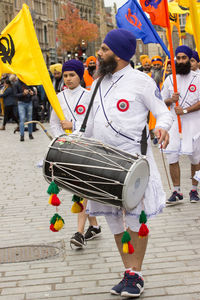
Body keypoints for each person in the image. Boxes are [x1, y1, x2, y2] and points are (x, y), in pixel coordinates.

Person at [65, 29, 173, 298]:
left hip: (133, 163)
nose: (98, 54)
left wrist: (162, 128)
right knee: (114, 222)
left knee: (136, 222)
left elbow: (163, 113)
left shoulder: (142, 81)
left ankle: (136, 274)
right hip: (101, 162)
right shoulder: (97, 83)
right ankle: (128, 272)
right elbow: (86, 125)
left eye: (103, 49)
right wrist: (73, 142)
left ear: (120, 54)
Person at [50, 59, 101, 248]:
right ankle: (94, 226)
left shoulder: (89, 96)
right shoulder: (59, 97)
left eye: (72, 75)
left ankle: (79, 233)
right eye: (65, 75)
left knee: (82, 189)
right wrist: (62, 138)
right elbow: (54, 123)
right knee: (79, 187)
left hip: (86, 147)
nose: (69, 78)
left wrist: (75, 127)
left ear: (80, 76)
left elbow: (94, 124)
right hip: (67, 148)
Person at [161, 45, 200, 204]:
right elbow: (161, 101)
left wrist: (184, 111)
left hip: (193, 124)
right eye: (179, 58)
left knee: (195, 158)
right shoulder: (170, 79)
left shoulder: (197, 78)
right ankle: (176, 191)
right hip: (174, 126)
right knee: (172, 156)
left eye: (184, 58)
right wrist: (171, 100)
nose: (181, 61)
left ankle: (194, 189)